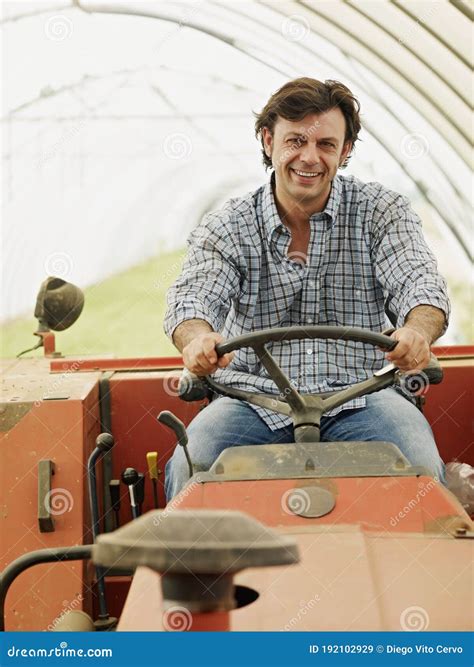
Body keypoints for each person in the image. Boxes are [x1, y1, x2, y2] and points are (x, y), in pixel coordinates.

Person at [163, 77, 450, 500]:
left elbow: (420, 283)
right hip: (253, 400)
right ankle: (196, 566)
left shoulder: (381, 212)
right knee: (194, 464)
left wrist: (417, 331)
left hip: (364, 395)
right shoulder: (229, 224)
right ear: (268, 141)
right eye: (296, 140)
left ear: (346, 150)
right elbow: (192, 298)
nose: (310, 158)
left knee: (420, 467)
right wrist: (197, 338)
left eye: (327, 145)